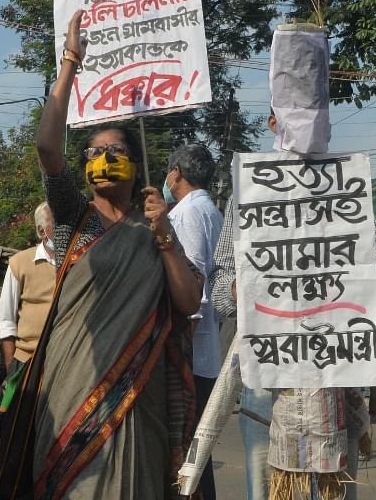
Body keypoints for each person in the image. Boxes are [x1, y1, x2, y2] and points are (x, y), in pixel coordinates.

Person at [0, 9, 203, 500]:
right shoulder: (74, 219)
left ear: (135, 163)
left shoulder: (155, 226)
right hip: (70, 389)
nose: (102, 159)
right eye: (92, 153)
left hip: (138, 391)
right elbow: (48, 147)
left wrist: (165, 235)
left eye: (114, 150)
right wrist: (71, 60)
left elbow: (189, 301)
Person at [209, 109, 376, 500]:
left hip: (339, 379)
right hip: (267, 385)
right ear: (271, 123)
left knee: (335, 493)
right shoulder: (247, 194)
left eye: (314, 116)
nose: (304, 125)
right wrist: (239, 289)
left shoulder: (347, 190)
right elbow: (218, 292)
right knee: (264, 492)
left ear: (327, 125)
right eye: (291, 116)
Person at [163, 143, 225, 500]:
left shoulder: (187, 213)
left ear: (176, 174)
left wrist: (180, 347)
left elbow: (193, 282)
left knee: (189, 450)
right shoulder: (210, 210)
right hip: (205, 345)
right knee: (196, 451)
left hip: (192, 349)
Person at [0, 202, 56, 460]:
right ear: (43, 232)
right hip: (25, 361)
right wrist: (12, 368)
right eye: (59, 223)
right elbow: (6, 321)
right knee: (15, 436)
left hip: (66, 358)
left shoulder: (81, 261)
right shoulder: (20, 263)